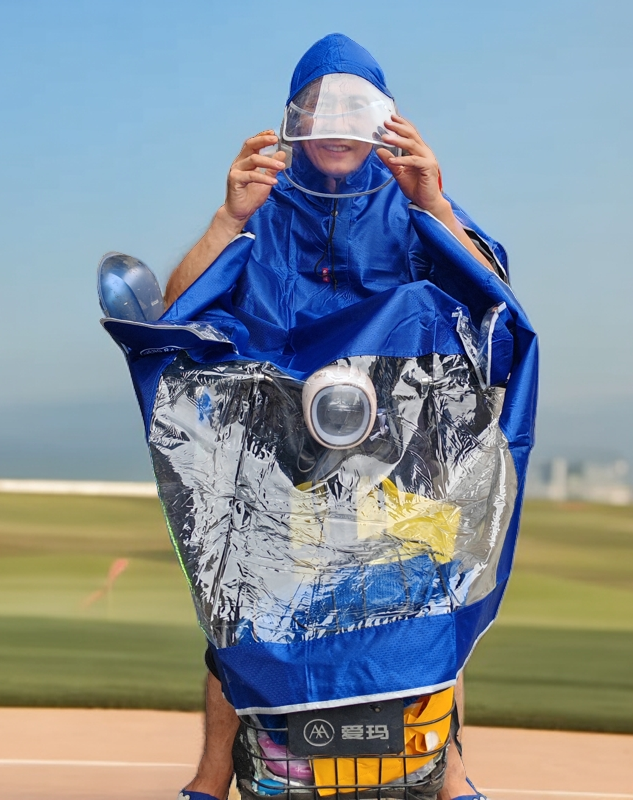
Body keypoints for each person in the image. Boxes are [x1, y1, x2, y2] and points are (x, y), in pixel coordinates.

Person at [166, 34, 503, 800]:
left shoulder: (409, 198)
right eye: (322, 106)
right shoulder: (266, 205)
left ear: (385, 118)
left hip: (403, 457)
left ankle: (450, 770)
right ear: (296, 118)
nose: (341, 124)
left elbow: (494, 308)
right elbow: (177, 313)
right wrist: (227, 218)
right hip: (280, 459)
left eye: (359, 108)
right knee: (240, 609)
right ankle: (214, 773)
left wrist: (436, 203)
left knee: (430, 602)